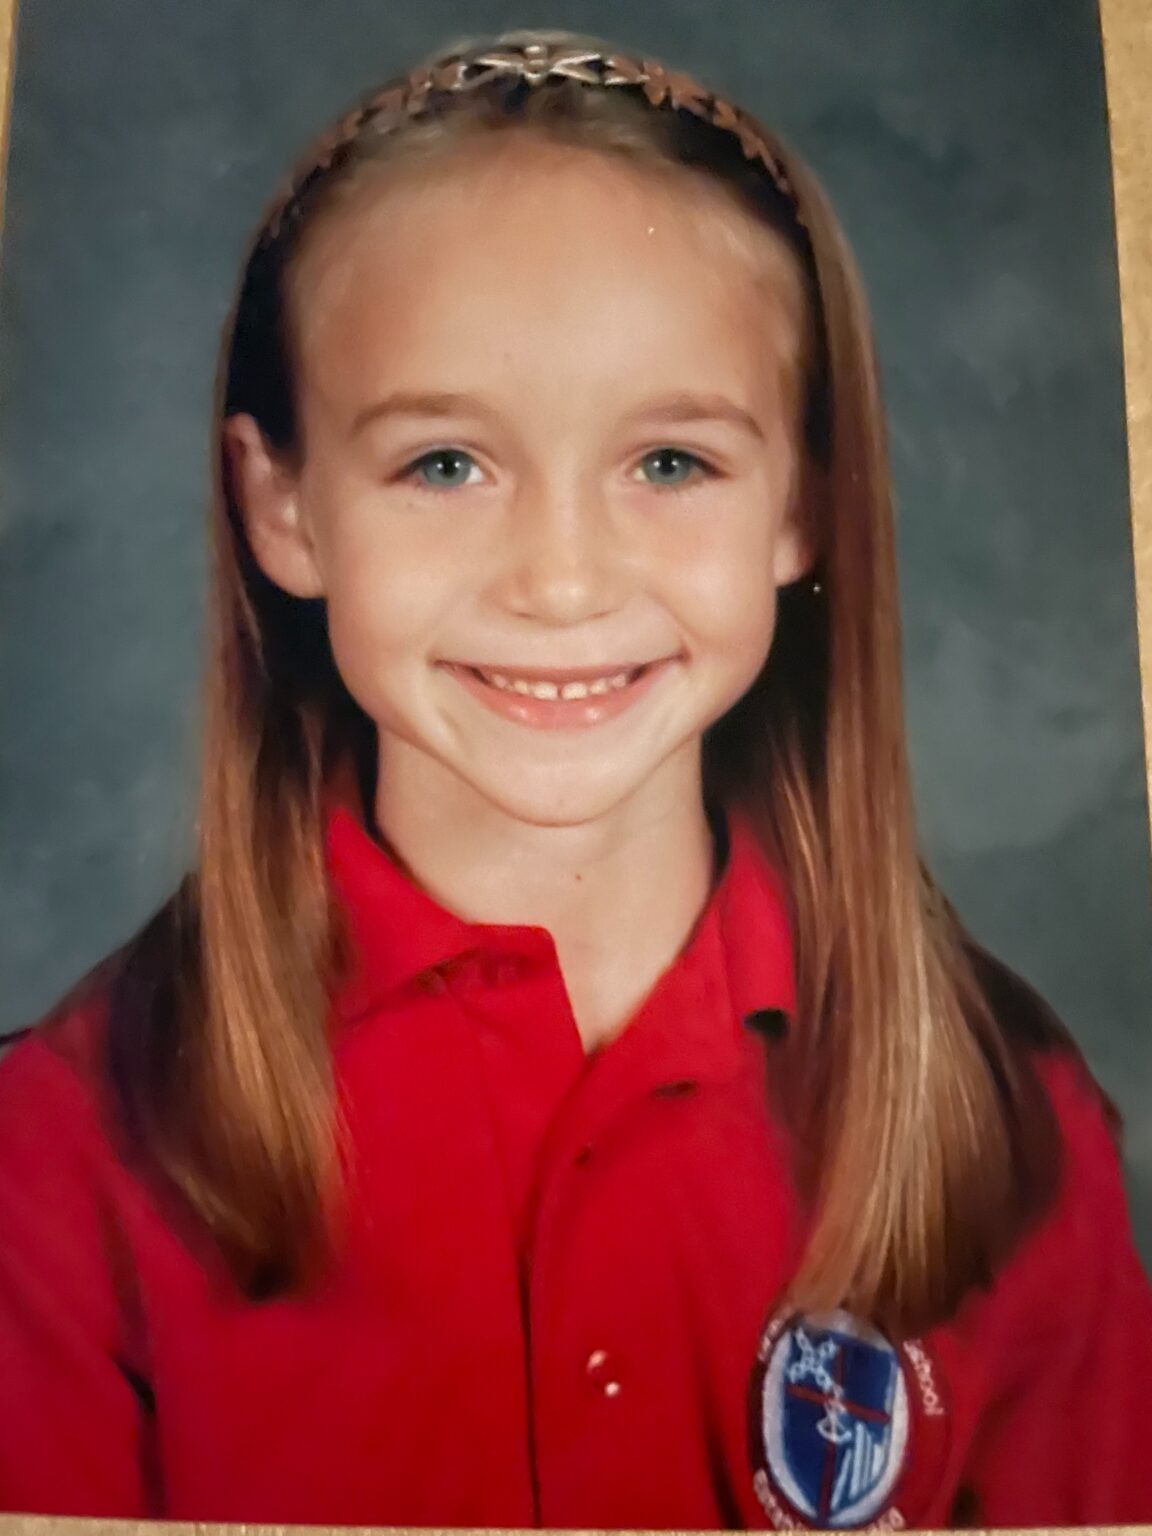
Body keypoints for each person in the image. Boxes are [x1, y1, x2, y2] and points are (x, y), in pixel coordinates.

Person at [0, 26, 1149, 1530]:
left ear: (801, 505)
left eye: (670, 463)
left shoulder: (1004, 1125)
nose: (560, 580)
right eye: (445, 464)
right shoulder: (62, 1153)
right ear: (279, 506)